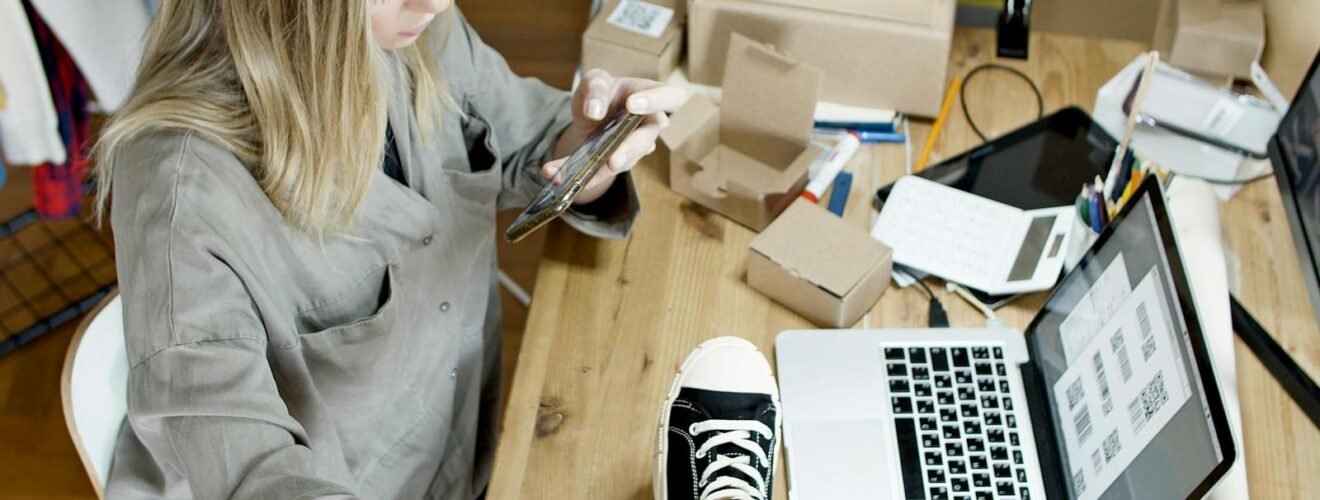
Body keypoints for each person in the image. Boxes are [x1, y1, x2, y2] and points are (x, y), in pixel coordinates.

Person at [93, 1, 684, 498]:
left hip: (461, 444)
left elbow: (530, 136)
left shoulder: (419, 32)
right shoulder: (181, 189)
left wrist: (587, 151)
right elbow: (251, 471)